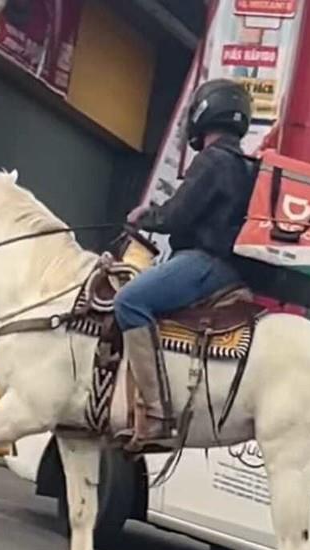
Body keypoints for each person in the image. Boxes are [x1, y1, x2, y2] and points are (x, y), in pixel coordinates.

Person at [116, 78, 257, 449]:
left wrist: (144, 216)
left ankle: (157, 412)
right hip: (230, 267)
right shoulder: (246, 165)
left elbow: (177, 216)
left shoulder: (212, 160)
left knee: (129, 301)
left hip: (204, 263)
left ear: (202, 115)